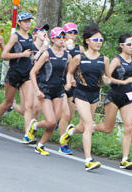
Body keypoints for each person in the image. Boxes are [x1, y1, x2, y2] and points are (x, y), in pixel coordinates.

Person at [94, 33, 132, 169]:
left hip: (127, 97)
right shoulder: (116, 60)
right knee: (108, 128)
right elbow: (106, 78)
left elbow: (131, 75)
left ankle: (125, 159)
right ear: (121, 46)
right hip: (114, 96)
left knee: (129, 127)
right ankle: (90, 128)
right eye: (128, 44)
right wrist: (124, 81)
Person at [62, 24, 110, 171]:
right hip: (81, 93)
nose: (99, 42)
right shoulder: (79, 58)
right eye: (96, 39)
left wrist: (107, 80)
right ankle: (89, 159)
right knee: (89, 124)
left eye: (101, 40)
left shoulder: (105, 59)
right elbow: (70, 72)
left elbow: (107, 76)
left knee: (83, 127)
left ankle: (70, 132)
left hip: (95, 94)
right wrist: (69, 82)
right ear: (87, 41)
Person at [0, 12, 35, 144]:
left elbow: (30, 54)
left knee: (29, 105)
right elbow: (4, 54)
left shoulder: (31, 37)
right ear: (19, 23)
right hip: (14, 73)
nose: (28, 24)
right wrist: (22, 54)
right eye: (25, 21)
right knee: (8, 102)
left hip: (27, 74)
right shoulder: (15, 37)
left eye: (29, 21)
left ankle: (27, 135)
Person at [28, 27, 71, 155]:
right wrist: (37, 90)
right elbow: (33, 72)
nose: (61, 40)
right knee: (51, 121)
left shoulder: (67, 56)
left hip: (59, 90)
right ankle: (34, 126)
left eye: (63, 37)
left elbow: (69, 72)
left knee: (53, 123)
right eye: (58, 37)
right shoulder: (47, 54)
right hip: (45, 90)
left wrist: (69, 82)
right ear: (52, 39)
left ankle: (40, 145)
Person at [11, 24, 50, 118]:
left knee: (35, 109)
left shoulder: (48, 49)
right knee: (28, 108)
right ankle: (11, 105)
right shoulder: (31, 46)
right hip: (28, 79)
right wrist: (41, 51)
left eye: (46, 31)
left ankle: (32, 130)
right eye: (42, 31)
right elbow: (32, 62)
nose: (44, 33)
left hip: (40, 80)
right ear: (35, 34)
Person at [58, 22, 84, 155]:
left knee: (70, 116)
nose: (72, 35)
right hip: (61, 83)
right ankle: (63, 143)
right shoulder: (59, 45)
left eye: (75, 32)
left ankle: (61, 129)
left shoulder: (80, 49)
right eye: (70, 32)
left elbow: (83, 63)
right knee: (65, 114)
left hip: (74, 84)